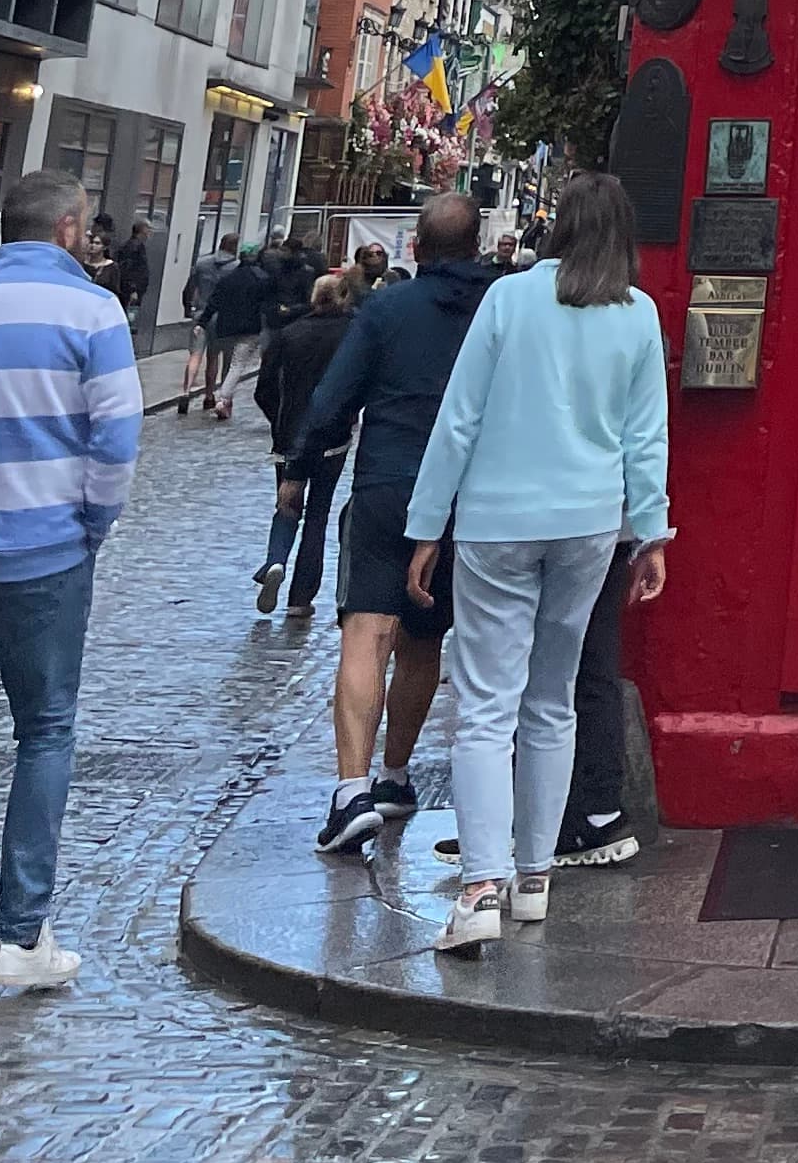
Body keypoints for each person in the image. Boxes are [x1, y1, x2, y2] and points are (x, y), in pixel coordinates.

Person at [406, 169, 669, 958]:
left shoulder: (509, 299)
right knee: (553, 699)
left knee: (487, 706)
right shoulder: (638, 313)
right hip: (589, 522)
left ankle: (480, 886)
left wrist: (427, 524)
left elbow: (459, 420)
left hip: (498, 518)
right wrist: (651, 533)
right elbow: (645, 436)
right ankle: (533, 876)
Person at [0, 169, 141, 988]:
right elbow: (116, 440)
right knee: (45, 733)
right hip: (44, 557)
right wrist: (90, 524)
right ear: (66, 229)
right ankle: (21, 936)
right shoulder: (94, 312)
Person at [285, 190, 496, 856]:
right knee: (424, 640)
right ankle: (396, 774)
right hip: (466, 494)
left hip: (387, 485)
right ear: (477, 245)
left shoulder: (386, 308)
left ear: (419, 248)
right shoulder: (498, 307)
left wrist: (301, 463)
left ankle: (352, 791)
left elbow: (331, 401)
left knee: (366, 633)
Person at [251, 269, 358, 617]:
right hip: (332, 439)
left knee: (287, 504)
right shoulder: (352, 333)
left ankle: (275, 560)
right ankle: (300, 598)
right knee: (318, 514)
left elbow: (264, 389)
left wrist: (279, 422)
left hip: (290, 437)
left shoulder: (289, 333)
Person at [198, 239, 273, 422]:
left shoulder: (228, 279)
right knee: (235, 365)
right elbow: (267, 305)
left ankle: (224, 399)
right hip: (250, 329)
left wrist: (202, 322)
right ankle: (224, 398)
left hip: (226, 327)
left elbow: (214, 301)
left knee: (225, 362)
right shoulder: (262, 279)